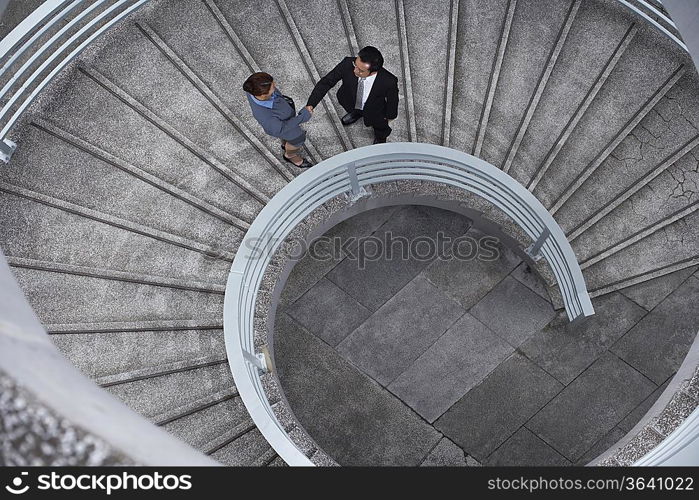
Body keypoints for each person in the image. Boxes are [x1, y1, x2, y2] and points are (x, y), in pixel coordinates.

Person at [305, 46, 399, 144]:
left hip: (375, 109)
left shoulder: (389, 81)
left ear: (373, 72)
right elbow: (327, 82)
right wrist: (311, 103)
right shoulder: (347, 64)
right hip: (349, 100)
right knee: (353, 107)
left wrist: (390, 116)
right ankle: (356, 113)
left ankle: (380, 137)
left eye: (361, 70)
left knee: (380, 125)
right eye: (355, 65)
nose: (355, 71)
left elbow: (393, 100)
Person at [243, 72, 313, 168]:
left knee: (287, 138)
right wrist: (302, 117)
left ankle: (285, 144)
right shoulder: (265, 116)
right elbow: (280, 129)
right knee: (298, 140)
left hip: (283, 120)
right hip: (283, 127)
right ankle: (290, 156)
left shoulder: (254, 89)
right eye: (273, 89)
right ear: (263, 95)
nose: (275, 87)